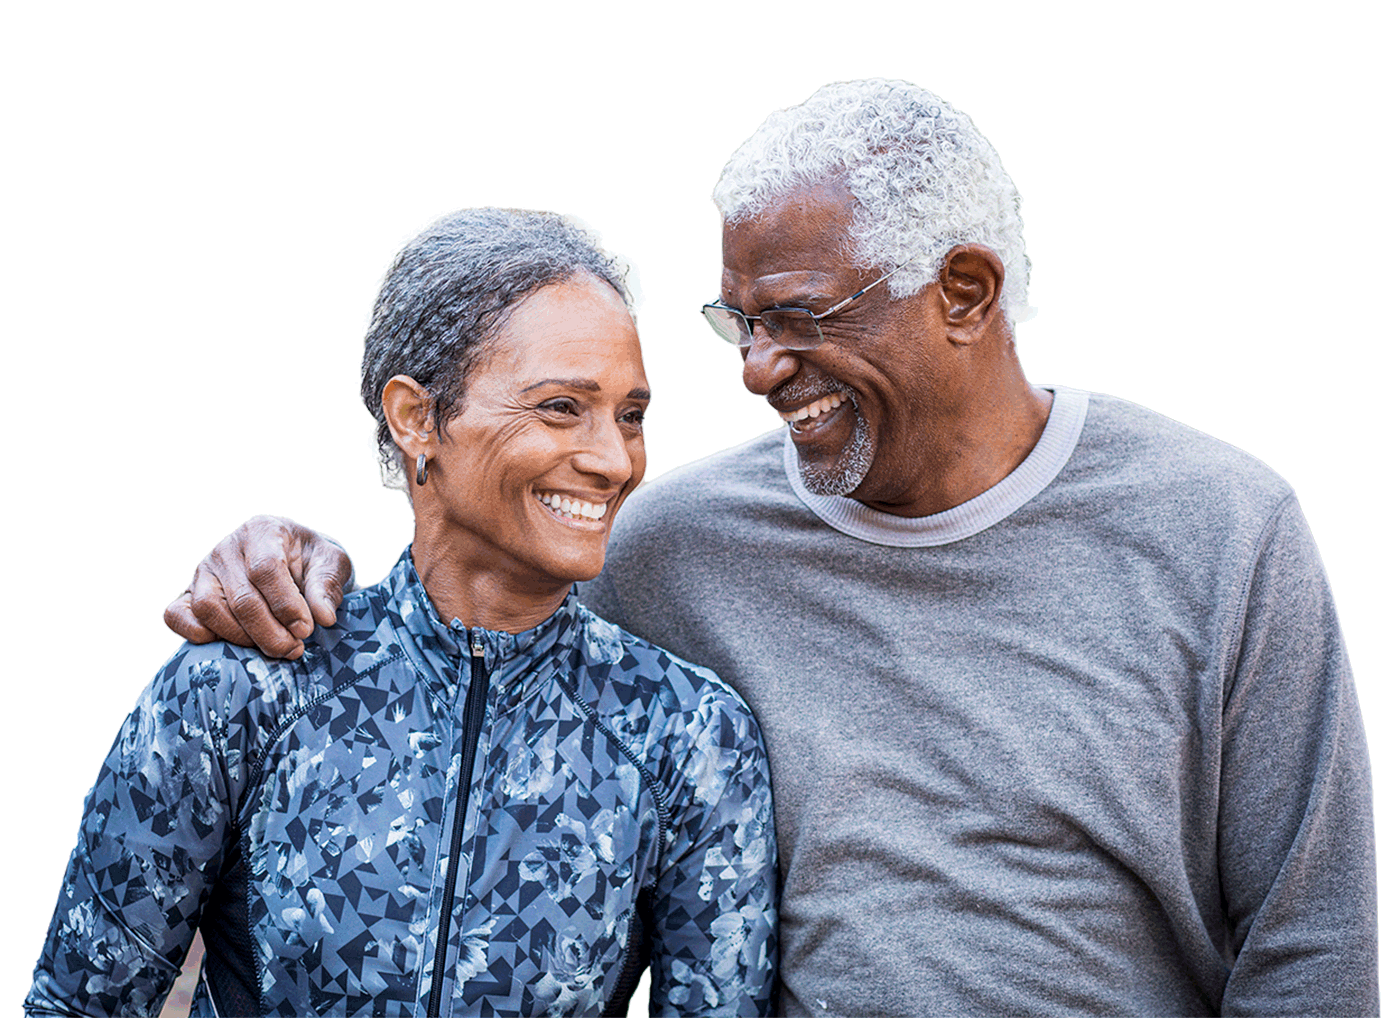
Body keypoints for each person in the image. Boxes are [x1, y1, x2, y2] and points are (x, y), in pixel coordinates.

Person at [163, 81, 1377, 1015]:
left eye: (797, 317)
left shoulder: (1218, 530)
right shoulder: (677, 549)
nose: (752, 369)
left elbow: (1307, 941)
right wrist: (286, 568)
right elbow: (443, 699)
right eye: (738, 322)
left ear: (961, 291)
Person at [28, 209, 777, 1017]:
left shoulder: (690, 738)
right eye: (562, 406)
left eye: (630, 415)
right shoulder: (240, 691)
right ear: (417, 418)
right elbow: (80, 1005)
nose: (612, 458)